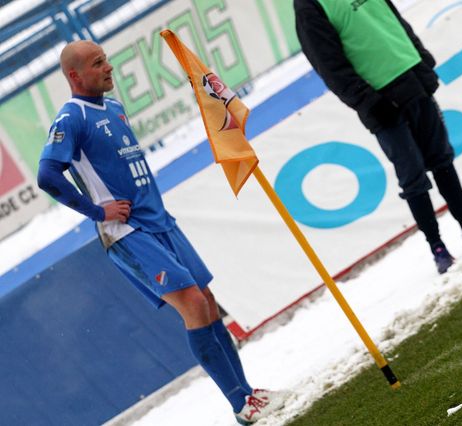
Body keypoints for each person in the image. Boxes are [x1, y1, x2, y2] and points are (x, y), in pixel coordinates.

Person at [37, 40, 282, 425]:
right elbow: (48, 175)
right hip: (127, 231)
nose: (109, 67)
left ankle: (248, 393)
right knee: (193, 304)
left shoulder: (114, 108)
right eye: (98, 63)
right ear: (75, 75)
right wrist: (97, 211)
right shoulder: (71, 118)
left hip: (159, 220)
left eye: (106, 59)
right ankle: (239, 403)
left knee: (206, 298)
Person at [294, 0, 462, 274]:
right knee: (413, 177)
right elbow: (329, 66)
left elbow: (393, 21)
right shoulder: (309, 6)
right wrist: (368, 101)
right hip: (380, 102)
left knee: (442, 159)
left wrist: (421, 60)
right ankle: (437, 248)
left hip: (411, 78)